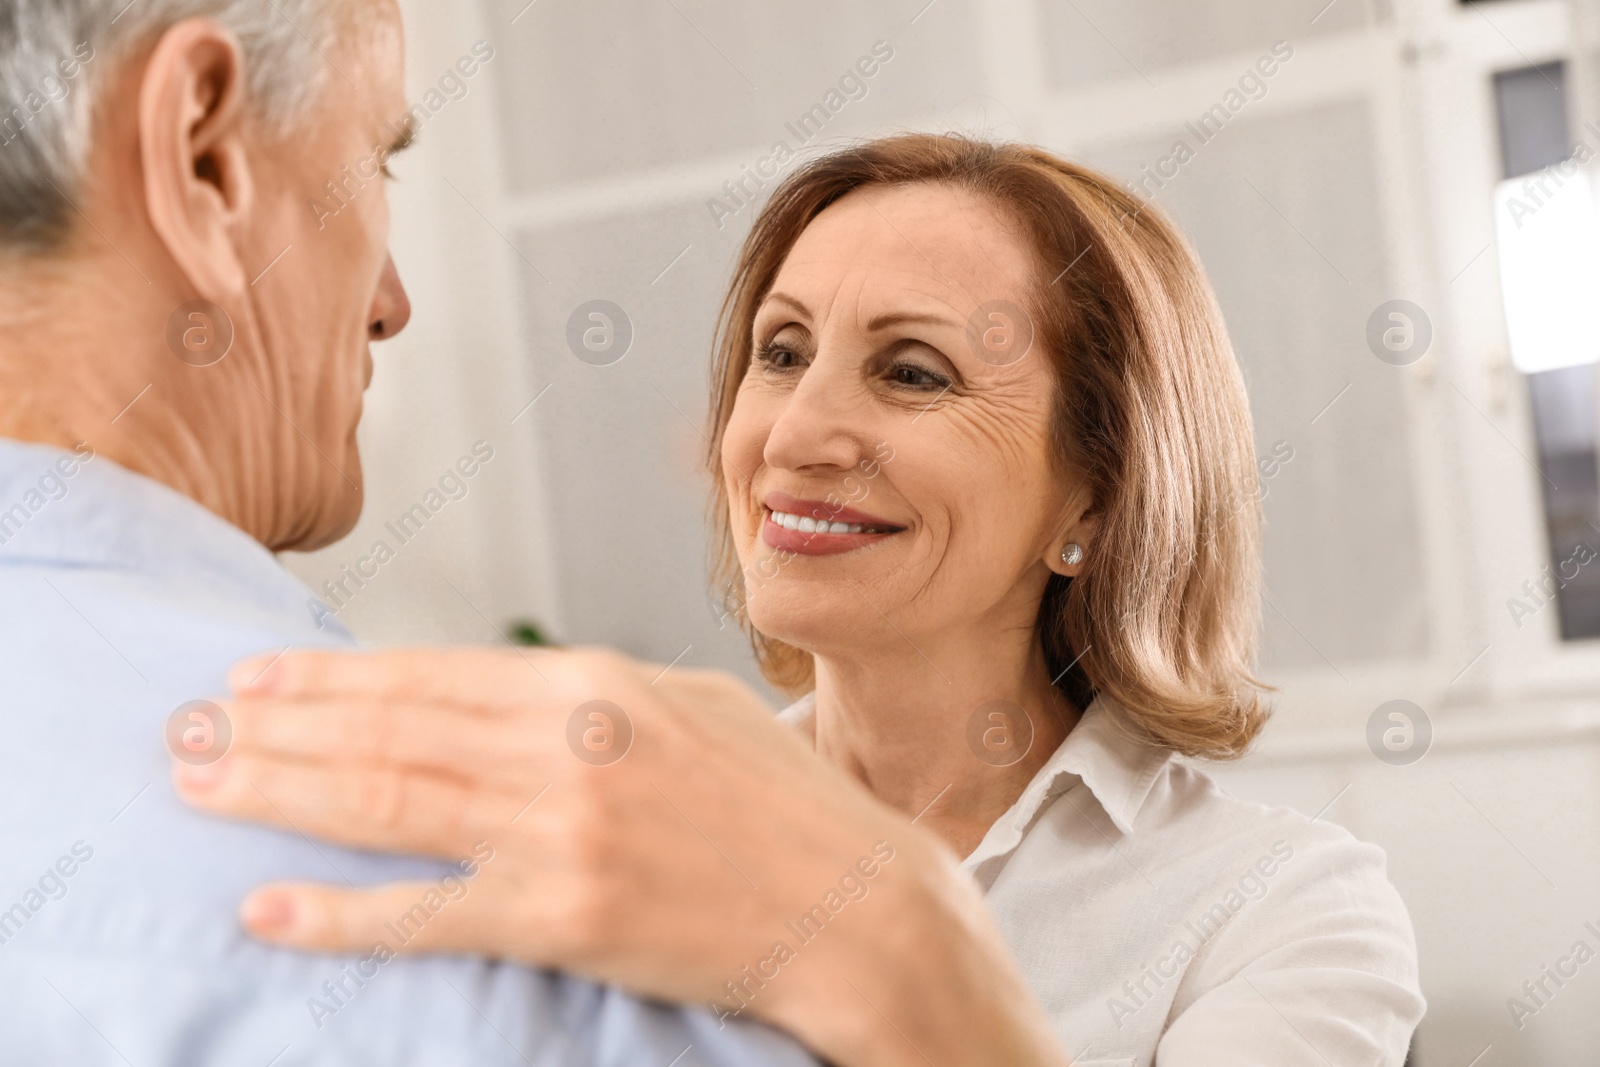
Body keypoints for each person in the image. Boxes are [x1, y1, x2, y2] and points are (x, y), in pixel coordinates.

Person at [177, 135, 1429, 1065]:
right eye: (780, 353)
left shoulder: (1282, 911)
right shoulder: (622, 823)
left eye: (913, 371)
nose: (797, 431)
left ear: (1095, 502)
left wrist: (900, 955)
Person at [0, 1, 817, 1063]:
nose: (393, 305)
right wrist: (926, 972)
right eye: (373, 165)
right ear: (202, 158)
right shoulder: (471, 917)